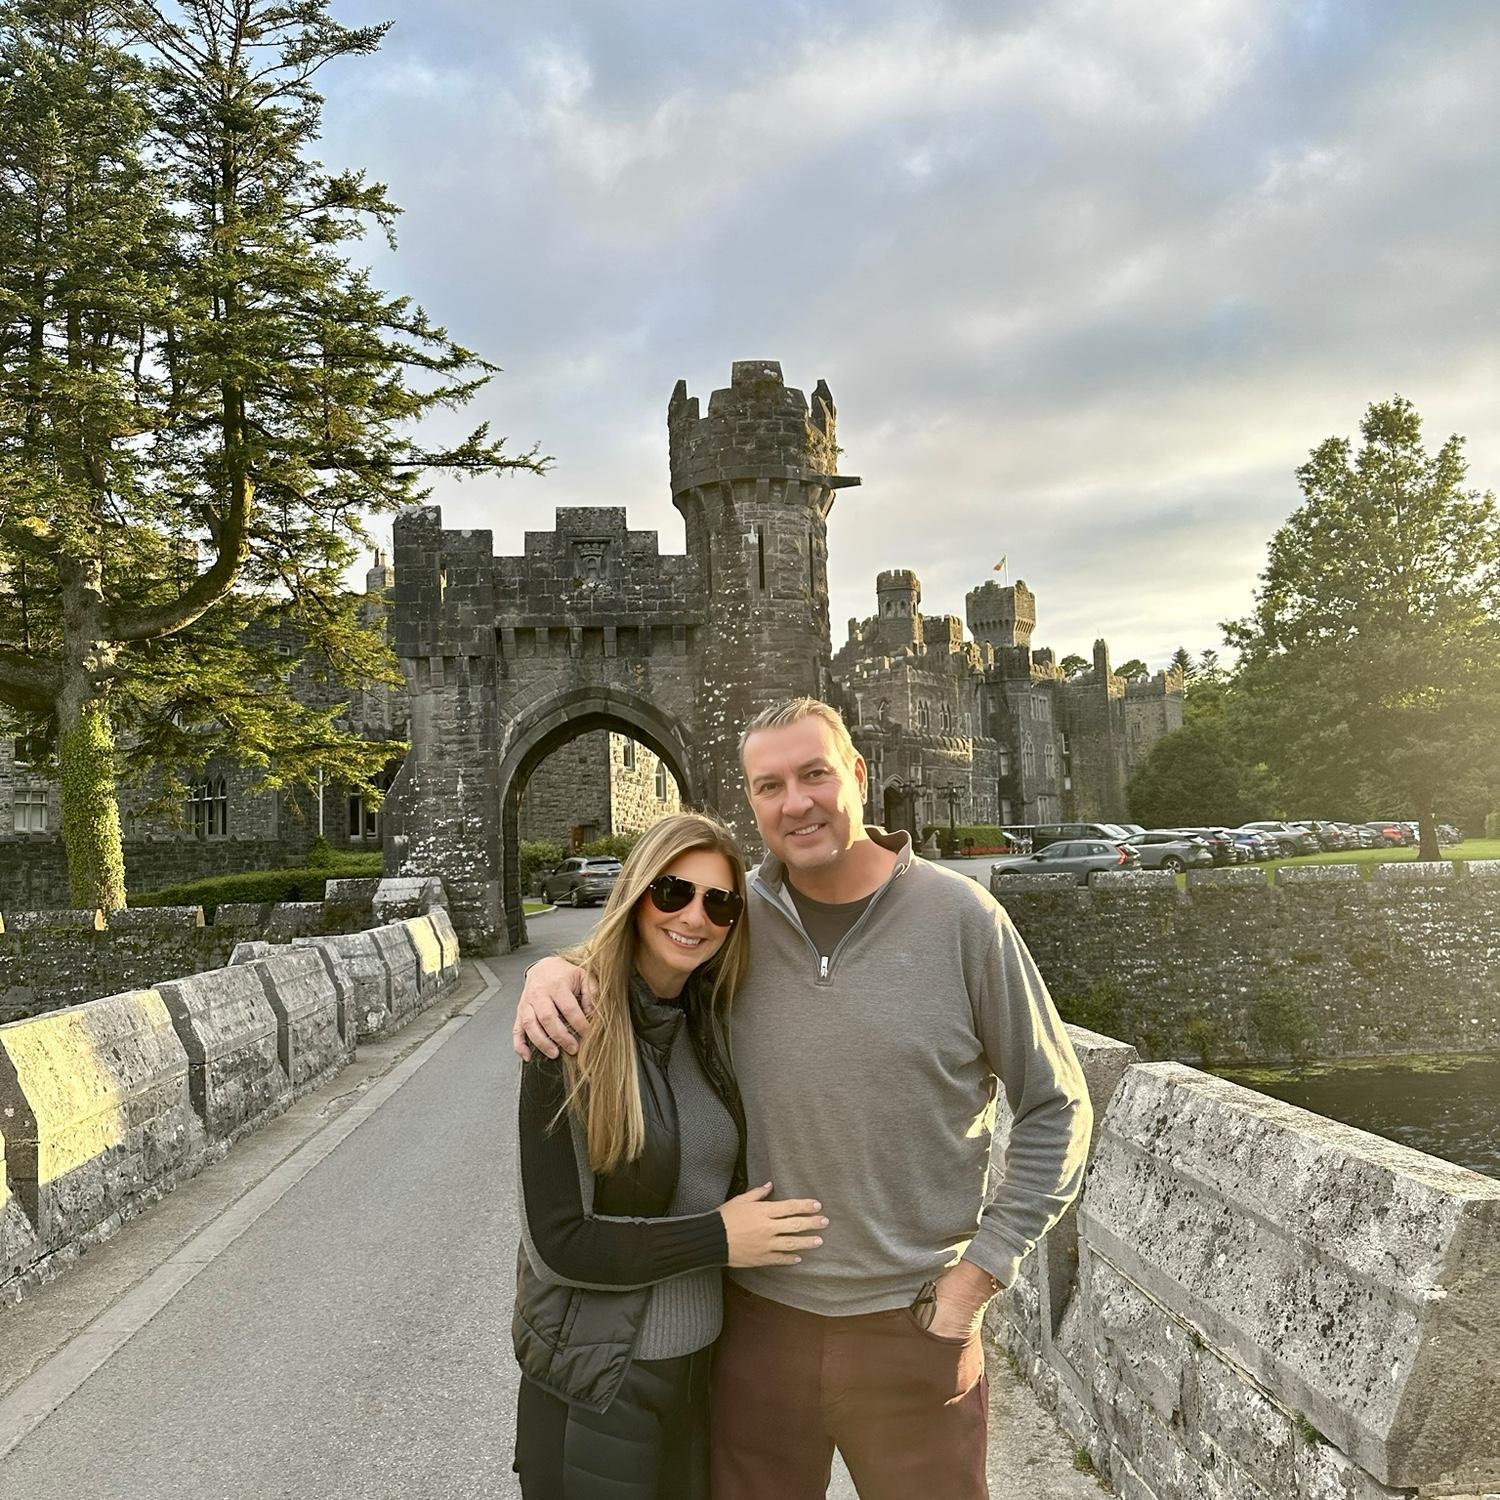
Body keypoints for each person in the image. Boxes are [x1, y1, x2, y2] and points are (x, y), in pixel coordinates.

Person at [515, 698, 1093, 1500]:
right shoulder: (733, 919)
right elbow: (641, 964)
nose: (796, 802)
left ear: (857, 773)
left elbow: (1057, 1105)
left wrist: (979, 1278)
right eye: (769, 785)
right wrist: (555, 971)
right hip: (755, 1330)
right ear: (751, 801)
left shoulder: (963, 919)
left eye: (814, 774)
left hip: (911, 1323)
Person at [512, 811, 828, 1500]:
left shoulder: (708, 1021)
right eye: (673, 892)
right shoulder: (568, 1029)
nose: (694, 917)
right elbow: (558, 1243)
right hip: (601, 1385)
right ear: (636, 894)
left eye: (720, 903)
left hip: (701, 1377)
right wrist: (718, 1238)